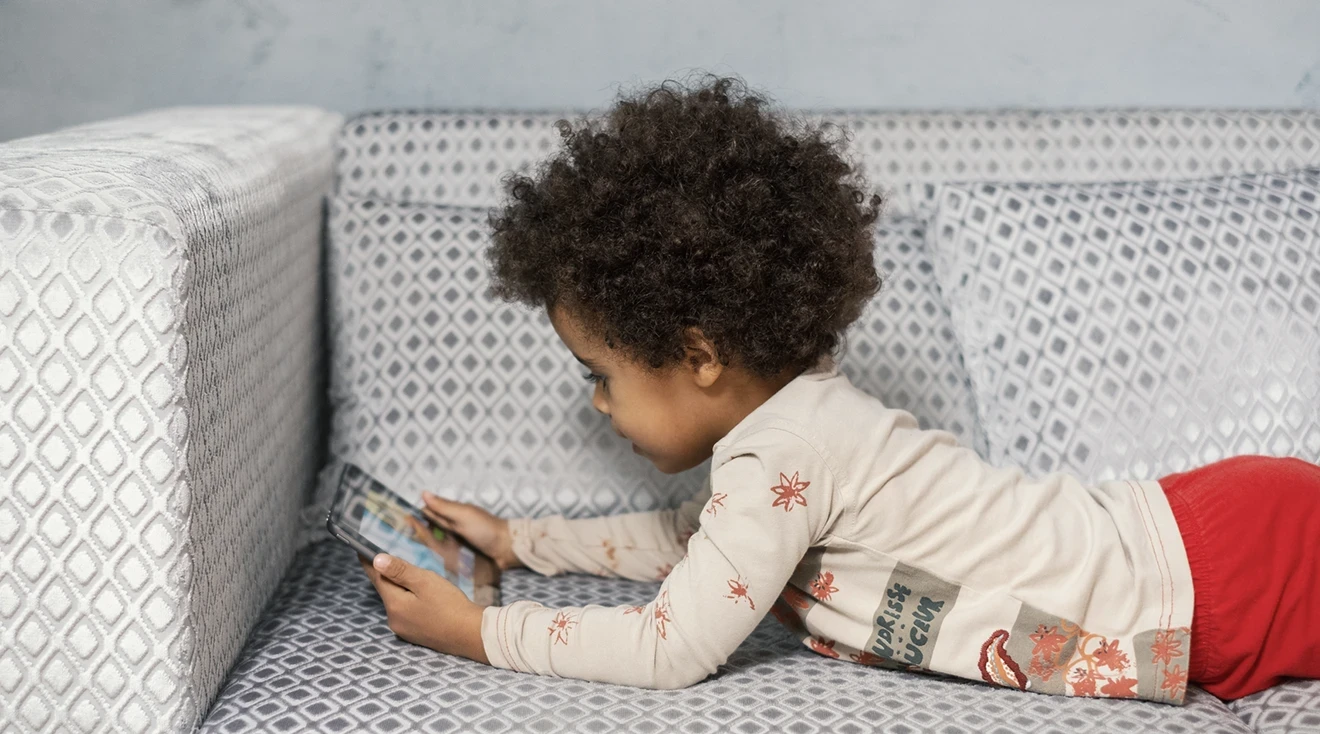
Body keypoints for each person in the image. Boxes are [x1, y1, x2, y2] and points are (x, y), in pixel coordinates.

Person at [357, 73, 1320, 704]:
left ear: (697, 355)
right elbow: (688, 546)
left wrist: (484, 632)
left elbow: (671, 646)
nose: (598, 405)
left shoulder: (790, 451)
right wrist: (521, 543)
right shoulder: (786, 441)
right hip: (1202, 548)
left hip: (1217, 571)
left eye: (601, 375)